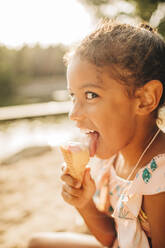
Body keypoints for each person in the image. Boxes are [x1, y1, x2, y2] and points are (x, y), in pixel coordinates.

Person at [28, 19, 165, 248]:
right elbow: (112, 237)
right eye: (73, 96)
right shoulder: (116, 155)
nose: (73, 113)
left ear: (145, 99)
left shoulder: (158, 177)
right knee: (37, 242)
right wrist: (84, 203)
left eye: (90, 95)